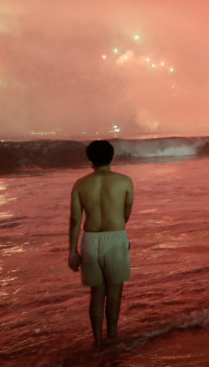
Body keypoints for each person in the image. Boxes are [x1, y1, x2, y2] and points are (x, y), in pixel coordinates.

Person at [68, 140, 134, 346]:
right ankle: (112, 336)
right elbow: (125, 213)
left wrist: (72, 251)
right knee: (114, 293)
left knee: (96, 295)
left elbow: (75, 220)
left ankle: (97, 341)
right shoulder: (124, 181)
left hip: (90, 239)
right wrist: (118, 232)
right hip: (115, 237)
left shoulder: (80, 184)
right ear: (111, 157)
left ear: (90, 159)